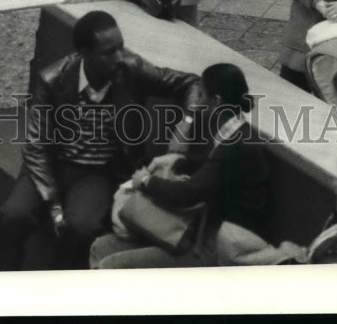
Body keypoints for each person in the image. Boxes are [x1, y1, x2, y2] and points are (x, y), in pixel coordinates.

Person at [0, 10, 200, 271]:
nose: (119, 58)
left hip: (97, 172)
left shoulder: (132, 67)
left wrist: (187, 122)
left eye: (121, 48)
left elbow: (193, 82)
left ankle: (58, 295)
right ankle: (3, 287)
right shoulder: (53, 79)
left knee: (82, 227)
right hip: (50, 164)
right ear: (84, 53)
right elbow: (36, 146)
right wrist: (54, 205)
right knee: (12, 216)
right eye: (108, 52)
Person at [90, 62, 270, 269]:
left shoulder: (237, 145)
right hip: (198, 228)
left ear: (216, 101)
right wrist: (181, 161)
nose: (196, 103)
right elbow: (212, 168)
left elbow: (188, 193)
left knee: (112, 266)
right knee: (101, 247)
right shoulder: (232, 130)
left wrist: (146, 181)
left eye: (201, 95)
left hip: (217, 246)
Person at [217, 143, 337, 265]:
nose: (335, 183)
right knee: (231, 237)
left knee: (230, 242)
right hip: (304, 258)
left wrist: (291, 258)